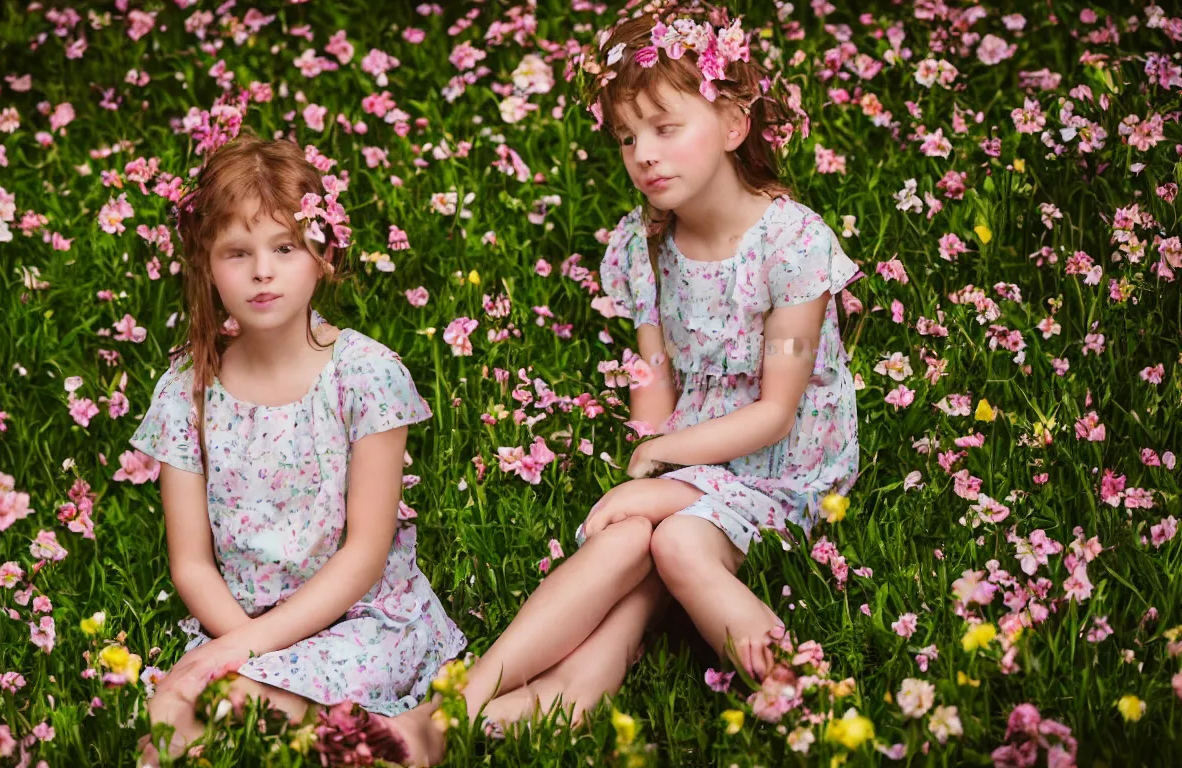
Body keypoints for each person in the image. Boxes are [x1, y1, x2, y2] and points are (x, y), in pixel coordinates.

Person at [375, 4, 863, 765]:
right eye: (629, 137)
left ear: (733, 122)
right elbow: (652, 385)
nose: (644, 154)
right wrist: (657, 458)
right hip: (691, 456)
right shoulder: (644, 245)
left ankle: (794, 685)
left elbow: (775, 413)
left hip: (785, 466)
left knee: (672, 539)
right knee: (642, 540)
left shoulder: (792, 243)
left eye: (666, 128)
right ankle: (506, 706)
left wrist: (654, 471)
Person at [129, 132, 465, 766]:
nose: (262, 270)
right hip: (240, 620)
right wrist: (242, 644)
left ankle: (341, 731)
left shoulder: (363, 374)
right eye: (237, 252)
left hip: (361, 620)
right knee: (168, 707)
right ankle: (309, 727)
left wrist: (245, 658)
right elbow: (192, 565)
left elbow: (364, 555)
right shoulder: (188, 391)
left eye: (284, 247)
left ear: (322, 253)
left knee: (223, 699)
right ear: (205, 265)